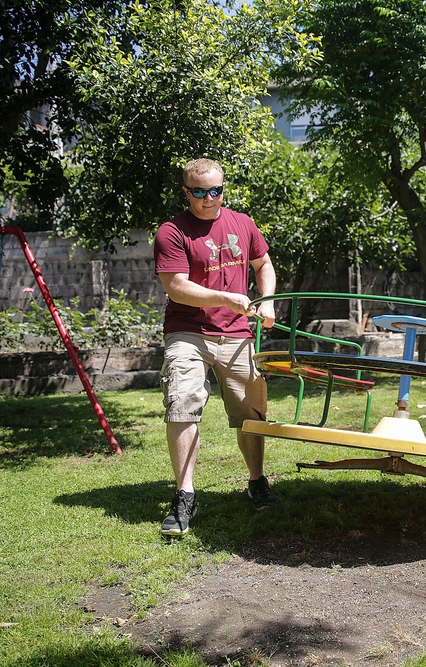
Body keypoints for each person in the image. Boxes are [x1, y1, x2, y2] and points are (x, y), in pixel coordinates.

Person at [153, 158, 278, 537]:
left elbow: (263, 263)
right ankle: (185, 496)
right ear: (185, 191)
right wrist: (225, 298)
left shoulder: (243, 223)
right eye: (200, 192)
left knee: (252, 412)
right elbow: (175, 286)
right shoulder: (172, 231)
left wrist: (267, 300)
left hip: (237, 333)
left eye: (216, 190)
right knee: (182, 402)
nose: (209, 198)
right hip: (188, 332)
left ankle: (256, 481)